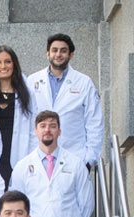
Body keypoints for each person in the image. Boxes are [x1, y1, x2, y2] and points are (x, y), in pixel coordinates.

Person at [10, 112, 93, 217]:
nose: (47, 130)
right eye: (43, 126)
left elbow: (86, 204)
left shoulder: (75, 164)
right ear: (35, 131)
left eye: (52, 126)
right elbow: (17, 205)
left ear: (59, 131)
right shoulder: (22, 167)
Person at [27, 34, 103, 166]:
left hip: (74, 155)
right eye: (54, 50)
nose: (58, 54)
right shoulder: (32, 81)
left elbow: (94, 121)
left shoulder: (84, 82)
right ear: (47, 54)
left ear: (71, 55)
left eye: (63, 50)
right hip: (39, 155)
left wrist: (90, 158)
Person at [0, 46, 35, 185]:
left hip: (20, 151)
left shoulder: (27, 94)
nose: (3, 66)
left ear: (14, 64)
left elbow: (33, 130)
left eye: (8, 61)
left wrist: (31, 157)